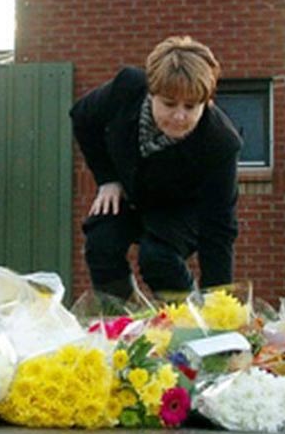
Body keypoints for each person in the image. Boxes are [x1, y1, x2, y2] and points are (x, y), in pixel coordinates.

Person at [70, 35, 242, 306]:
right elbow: (82, 117)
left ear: (206, 101)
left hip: (181, 207)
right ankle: (122, 316)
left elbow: (219, 232)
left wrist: (219, 312)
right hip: (129, 190)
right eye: (169, 104)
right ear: (151, 93)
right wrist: (107, 178)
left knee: (158, 258)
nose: (179, 117)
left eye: (191, 106)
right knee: (101, 244)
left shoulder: (220, 143)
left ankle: (188, 317)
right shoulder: (127, 88)